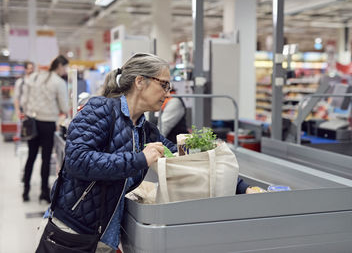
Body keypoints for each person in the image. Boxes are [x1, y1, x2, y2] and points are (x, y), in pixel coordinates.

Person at [39, 53, 253, 252]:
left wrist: (242, 187)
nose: (167, 92)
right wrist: (139, 159)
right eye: (164, 84)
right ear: (140, 82)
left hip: (103, 238)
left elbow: (186, 159)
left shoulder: (144, 130)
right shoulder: (100, 109)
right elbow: (78, 161)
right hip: (71, 234)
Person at [21, 55, 69, 202]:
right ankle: (43, 191)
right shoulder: (58, 82)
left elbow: (24, 101)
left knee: (31, 156)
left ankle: (26, 191)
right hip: (47, 123)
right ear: (60, 66)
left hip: (31, 121)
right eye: (65, 67)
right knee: (45, 158)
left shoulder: (33, 77)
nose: (66, 70)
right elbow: (64, 107)